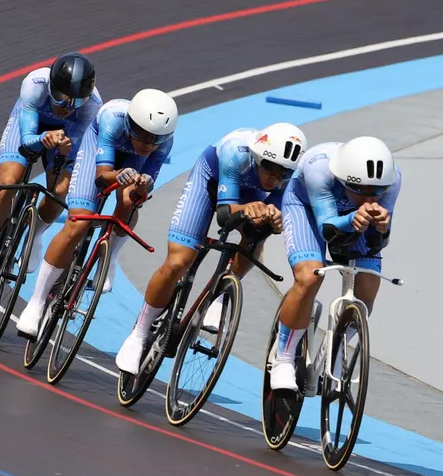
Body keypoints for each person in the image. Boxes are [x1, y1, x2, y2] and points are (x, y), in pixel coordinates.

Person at [115, 123, 307, 375]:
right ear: (258, 157)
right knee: (177, 262)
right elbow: (225, 215)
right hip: (212, 182)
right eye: (270, 168)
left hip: (250, 192)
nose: (276, 178)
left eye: (284, 174)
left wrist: (274, 218)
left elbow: (279, 214)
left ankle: (220, 294)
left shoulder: (289, 179)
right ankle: (139, 335)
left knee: (258, 233)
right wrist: (247, 209)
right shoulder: (234, 152)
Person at [15, 88, 179, 337]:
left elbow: (144, 189)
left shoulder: (164, 141)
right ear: (130, 124)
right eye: (142, 137)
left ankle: (109, 257)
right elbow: (102, 177)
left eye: (154, 140)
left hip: (130, 165)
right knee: (78, 223)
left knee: (129, 200)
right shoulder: (113, 119)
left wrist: (142, 186)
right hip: (99, 154)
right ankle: (36, 304)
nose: (147, 146)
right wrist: (118, 175)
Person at [0, 52, 102, 290]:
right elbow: (26, 141)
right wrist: (44, 137)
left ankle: (34, 234)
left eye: (76, 101)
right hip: (29, 126)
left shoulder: (92, 107)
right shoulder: (35, 85)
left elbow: (76, 147)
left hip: (63, 135)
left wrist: (64, 149)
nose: (67, 106)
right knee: (9, 181)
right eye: (60, 96)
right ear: (51, 86)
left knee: (60, 190)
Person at [270, 136, 402, 391]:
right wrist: (354, 217)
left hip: (348, 217)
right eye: (359, 190)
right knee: (309, 277)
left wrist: (383, 227)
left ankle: (339, 349)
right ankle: (283, 358)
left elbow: (378, 243)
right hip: (307, 208)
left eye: (376, 192)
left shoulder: (393, 180)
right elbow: (327, 228)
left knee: (367, 289)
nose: (369, 198)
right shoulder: (319, 169)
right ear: (342, 181)